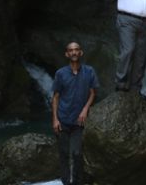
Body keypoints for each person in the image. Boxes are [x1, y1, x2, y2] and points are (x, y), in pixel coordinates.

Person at [52, 42, 99, 185]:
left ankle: (78, 182)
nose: (74, 52)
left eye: (76, 49)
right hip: (63, 119)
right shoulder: (60, 73)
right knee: (64, 154)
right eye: (71, 50)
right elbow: (55, 97)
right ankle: (66, 182)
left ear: (81, 53)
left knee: (77, 153)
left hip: (79, 121)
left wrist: (85, 109)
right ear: (67, 54)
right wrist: (55, 119)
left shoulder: (89, 71)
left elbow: (93, 92)